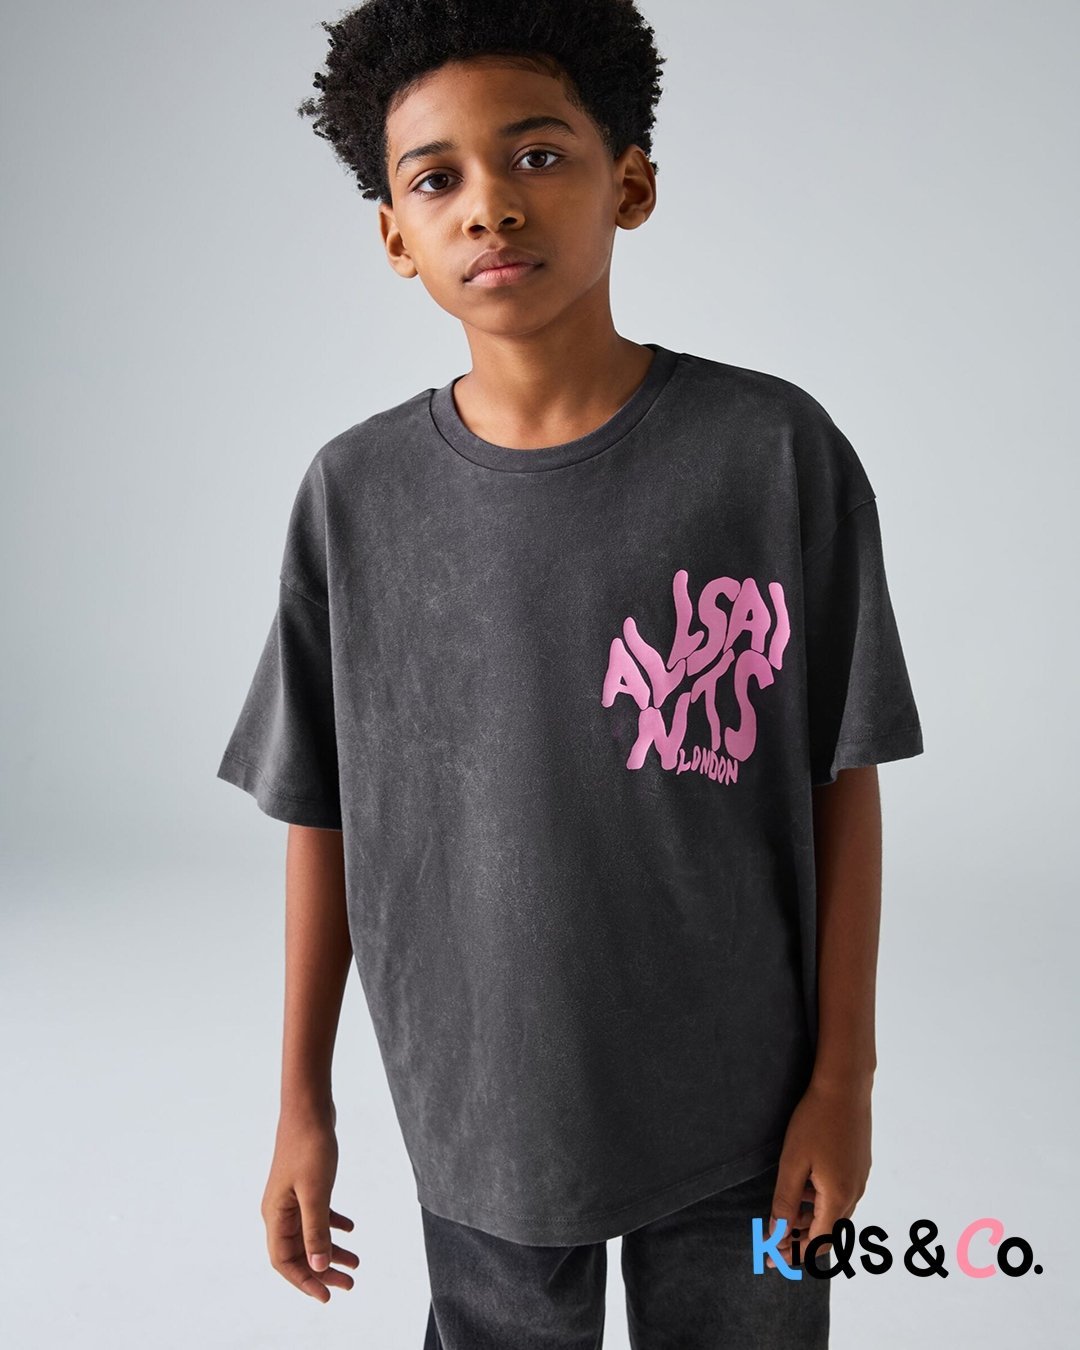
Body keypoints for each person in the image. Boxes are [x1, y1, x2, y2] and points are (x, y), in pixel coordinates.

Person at [215, 1, 925, 1345]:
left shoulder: (773, 454)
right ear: (395, 235)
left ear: (631, 183)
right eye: (437, 179)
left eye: (538, 156)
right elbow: (325, 811)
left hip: (746, 1106)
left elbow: (841, 779)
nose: (492, 204)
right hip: (483, 1106)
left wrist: (846, 1078)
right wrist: (302, 1104)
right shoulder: (354, 498)